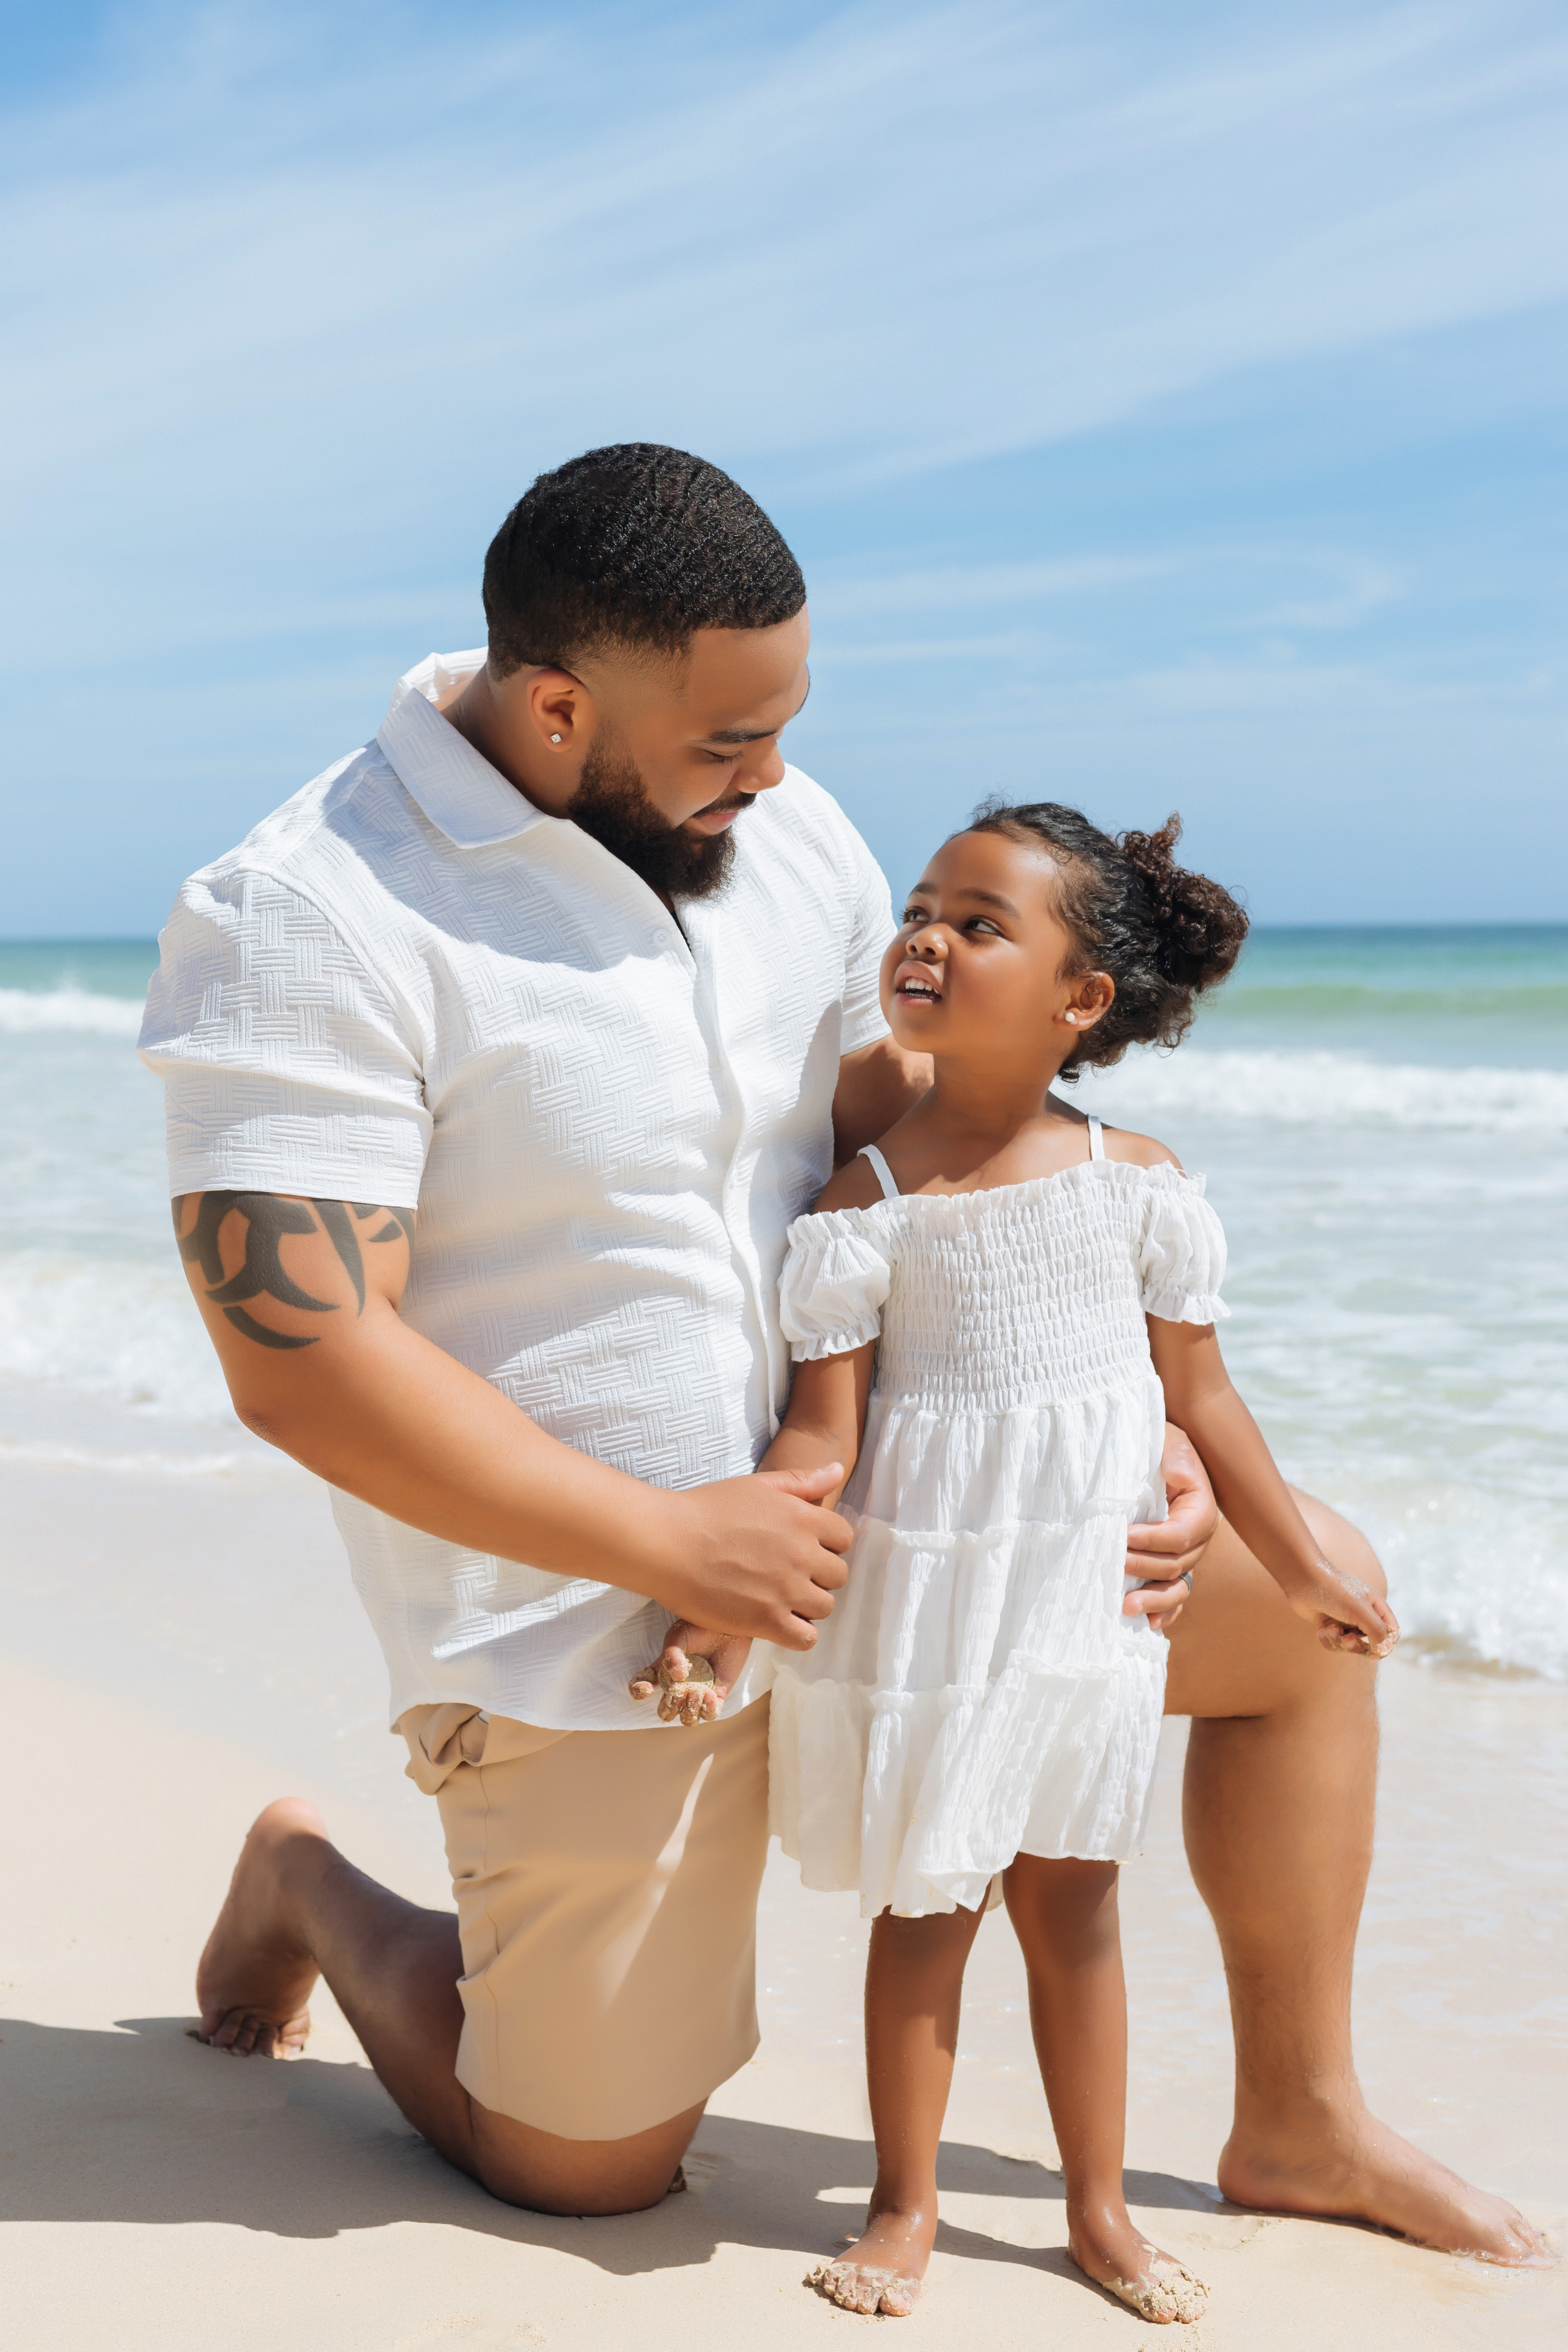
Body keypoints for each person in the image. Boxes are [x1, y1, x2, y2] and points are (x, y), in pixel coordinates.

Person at [138, 444, 1543, 2264]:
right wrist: (673, 1542)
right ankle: (314, 1888)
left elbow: (893, 1120)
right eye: (730, 741)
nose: (780, 779)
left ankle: (1304, 2118)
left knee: (1320, 1600)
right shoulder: (307, 911)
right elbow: (304, 1356)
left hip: (931, 1519)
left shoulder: (770, 828)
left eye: (786, 727)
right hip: (601, 1624)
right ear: (561, 710)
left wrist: (1138, 1417)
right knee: (585, 2168)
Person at [651, 802, 1395, 2323]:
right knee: (923, 1912)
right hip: (927, 1604)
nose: (925, 935)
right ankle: (904, 2206)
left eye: (978, 921)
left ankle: (1099, 2211)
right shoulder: (861, 1202)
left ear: (1080, 1000)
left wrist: (1298, 1563)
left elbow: (1201, 1397)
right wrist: (715, 1614)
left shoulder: (1134, 1178)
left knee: (1074, 1908)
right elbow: (816, 1443)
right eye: (920, 907)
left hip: (1077, 1603)